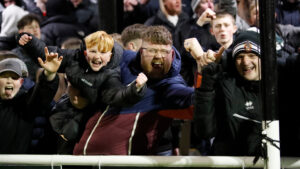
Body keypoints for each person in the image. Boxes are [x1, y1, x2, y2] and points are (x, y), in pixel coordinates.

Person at [73, 25, 194, 155]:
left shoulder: (171, 86)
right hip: (84, 156)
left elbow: (198, 102)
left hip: (126, 163)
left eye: (164, 51)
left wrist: (203, 68)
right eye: (152, 50)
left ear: (172, 53)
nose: (159, 56)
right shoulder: (124, 59)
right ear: (141, 51)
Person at [17, 30, 148, 108]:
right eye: (93, 51)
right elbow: (49, 53)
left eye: (103, 53)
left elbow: (116, 96)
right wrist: (29, 42)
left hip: (87, 117)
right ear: (85, 52)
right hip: (65, 107)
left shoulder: (110, 74)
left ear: (110, 56)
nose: (97, 56)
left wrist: (136, 89)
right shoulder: (75, 57)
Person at [185, 30, 264, 155]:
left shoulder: (278, 86)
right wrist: (206, 84)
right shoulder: (224, 85)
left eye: (252, 55)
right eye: (240, 57)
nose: (246, 62)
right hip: (230, 163)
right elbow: (204, 131)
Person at [0, 49, 61, 153]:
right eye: (4, 76)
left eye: (14, 77)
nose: (9, 81)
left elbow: (42, 94)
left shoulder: (25, 103)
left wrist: (49, 75)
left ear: (21, 81)